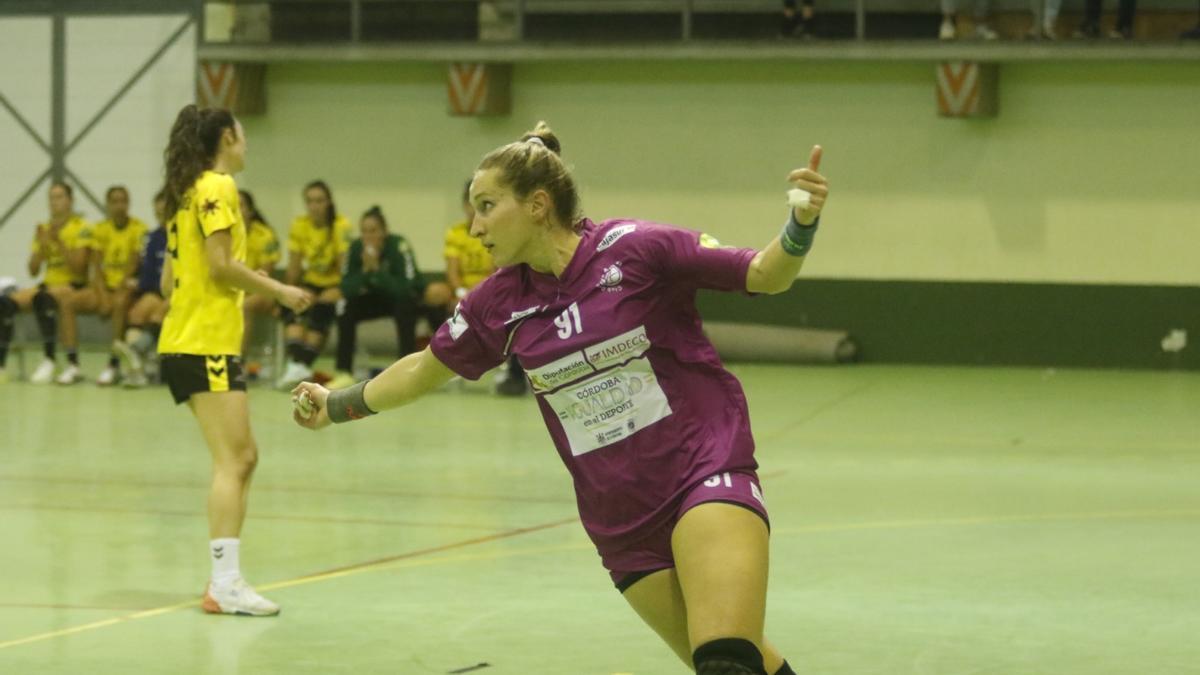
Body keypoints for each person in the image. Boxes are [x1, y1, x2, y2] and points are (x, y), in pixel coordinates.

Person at [291, 121, 829, 675]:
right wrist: (335, 405)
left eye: (486, 205)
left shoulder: (638, 249)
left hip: (702, 471)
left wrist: (800, 223)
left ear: (537, 205)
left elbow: (765, 275)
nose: (474, 227)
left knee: (726, 663)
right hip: (621, 520)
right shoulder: (496, 302)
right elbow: (422, 370)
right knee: (746, 663)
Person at [159, 104, 312, 615]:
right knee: (236, 460)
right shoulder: (218, 187)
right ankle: (224, 585)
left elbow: (167, 280)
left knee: (241, 458)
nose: (246, 144)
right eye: (242, 136)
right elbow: (222, 267)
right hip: (205, 344)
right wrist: (280, 290)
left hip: (184, 339)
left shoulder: (184, 193)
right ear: (226, 137)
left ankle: (225, 581)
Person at [327, 206, 426, 389]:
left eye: (373, 231)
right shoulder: (356, 248)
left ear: (384, 231)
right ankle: (344, 371)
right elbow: (346, 287)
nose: (368, 237)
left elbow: (406, 288)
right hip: (373, 300)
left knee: (405, 305)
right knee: (344, 306)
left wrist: (378, 272)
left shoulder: (398, 246)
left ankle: (407, 370)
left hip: (398, 298)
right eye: (364, 231)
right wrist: (366, 271)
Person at [0, 181, 90, 384]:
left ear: (70, 201)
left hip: (71, 285)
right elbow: (32, 270)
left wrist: (59, 242)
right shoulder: (44, 229)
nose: (54, 202)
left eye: (59, 197)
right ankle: (2, 364)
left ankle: (50, 358)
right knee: (6, 302)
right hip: (47, 283)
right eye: (51, 198)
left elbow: (79, 268)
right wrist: (41, 246)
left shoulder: (81, 227)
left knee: (43, 298)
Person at [275, 180, 352, 389]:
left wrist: (340, 290)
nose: (314, 206)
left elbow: (345, 267)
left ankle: (298, 365)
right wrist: (288, 293)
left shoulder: (340, 226)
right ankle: (297, 365)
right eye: (309, 201)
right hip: (310, 283)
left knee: (322, 308)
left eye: (319, 201)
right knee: (295, 304)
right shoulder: (300, 226)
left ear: (328, 202)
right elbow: (294, 267)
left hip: (334, 285)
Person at [77, 186, 149, 386]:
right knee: (68, 301)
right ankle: (71, 363)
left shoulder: (138, 228)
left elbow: (134, 264)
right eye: (114, 202)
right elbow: (96, 265)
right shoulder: (100, 229)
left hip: (126, 286)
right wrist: (102, 295)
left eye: (123, 201)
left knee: (119, 303)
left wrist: (115, 292)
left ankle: (113, 363)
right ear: (107, 205)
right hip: (104, 287)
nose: (119, 206)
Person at [116, 190, 171, 388]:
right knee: (137, 314)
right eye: (158, 213)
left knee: (158, 315)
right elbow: (147, 271)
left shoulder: (184, 236)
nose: (161, 217)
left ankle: (137, 351)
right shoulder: (152, 237)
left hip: (181, 292)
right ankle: (136, 369)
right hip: (158, 290)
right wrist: (137, 285)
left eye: (165, 212)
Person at [237, 190, 282, 359]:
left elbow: (265, 276)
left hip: (262, 291)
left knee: (241, 307)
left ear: (250, 210)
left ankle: (237, 360)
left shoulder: (264, 235)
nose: (235, 210)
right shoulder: (223, 236)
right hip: (233, 291)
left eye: (240, 205)